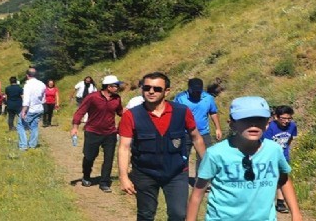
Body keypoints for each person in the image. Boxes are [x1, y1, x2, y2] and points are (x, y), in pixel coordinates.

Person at [186, 97, 302, 221]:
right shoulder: (216, 153)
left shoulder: (273, 150)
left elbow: (284, 179)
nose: (253, 124)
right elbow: (197, 194)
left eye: (260, 119)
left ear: (267, 123)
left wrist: (296, 214)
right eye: (246, 120)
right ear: (232, 124)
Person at [118, 71, 206, 221]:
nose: (151, 91)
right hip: (145, 172)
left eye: (157, 89)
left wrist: (208, 165)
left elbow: (196, 138)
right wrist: (124, 176)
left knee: (179, 214)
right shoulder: (131, 115)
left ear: (167, 91)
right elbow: (124, 147)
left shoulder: (182, 111)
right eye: (147, 88)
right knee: (146, 215)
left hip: (177, 172)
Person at [71, 75, 124, 193]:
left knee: (109, 158)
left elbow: (121, 112)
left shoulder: (117, 99)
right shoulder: (92, 97)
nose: (118, 88)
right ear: (108, 87)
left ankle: (104, 182)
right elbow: (80, 112)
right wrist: (75, 127)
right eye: (116, 86)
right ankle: (86, 176)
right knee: (89, 157)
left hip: (110, 133)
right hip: (93, 132)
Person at [173, 78, 222, 177]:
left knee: (205, 157)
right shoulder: (181, 98)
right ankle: (181, 178)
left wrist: (218, 128)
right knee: (183, 157)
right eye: (193, 91)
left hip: (203, 132)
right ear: (189, 89)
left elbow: (213, 112)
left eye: (198, 91)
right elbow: (174, 114)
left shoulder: (208, 98)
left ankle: (201, 180)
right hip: (185, 133)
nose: (196, 93)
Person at [263, 105, 298, 214]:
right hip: (268, 157)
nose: (286, 121)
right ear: (276, 117)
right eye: (283, 118)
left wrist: (285, 150)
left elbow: (290, 139)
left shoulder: (292, 126)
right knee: (268, 179)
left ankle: (280, 202)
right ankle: (265, 202)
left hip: (283, 156)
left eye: (289, 118)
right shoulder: (270, 128)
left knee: (282, 179)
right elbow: (265, 144)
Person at [18, 68, 46, 150]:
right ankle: (32, 145)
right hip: (39, 108)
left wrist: (23, 111)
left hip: (30, 109)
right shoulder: (42, 84)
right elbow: (44, 99)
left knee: (21, 126)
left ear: (27, 75)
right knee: (34, 126)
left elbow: (26, 100)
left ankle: (23, 145)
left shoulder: (28, 85)